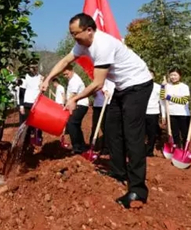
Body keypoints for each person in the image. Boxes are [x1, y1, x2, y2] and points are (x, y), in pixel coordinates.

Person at [41, 13, 153, 209]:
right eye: (71, 34)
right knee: (111, 128)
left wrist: (74, 98)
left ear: (89, 30)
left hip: (138, 85)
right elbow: (65, 61)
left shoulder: (102, 45)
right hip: (121, 87)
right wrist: (48, 78)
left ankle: (137, 190)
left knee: (132, 134)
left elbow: (97, 83)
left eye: (75, 34)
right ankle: (118, 171)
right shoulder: (82, 44)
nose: (73, 38)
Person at [159, 67, 190, 148]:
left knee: (184, 133)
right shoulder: (167, 86)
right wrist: (162, 86)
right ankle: (177, 149)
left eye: (175, 75)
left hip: (183, 114)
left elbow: (184, 100)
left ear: (180, 76)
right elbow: (162, 97)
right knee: (174, 133)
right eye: (171, 75)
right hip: (171, 113)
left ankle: (185, 149)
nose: (173, 77)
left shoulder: (184, 86)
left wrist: (169, 98)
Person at [62, 65, 89, 154]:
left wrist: (66, 106)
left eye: (67, 74)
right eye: (64, 75)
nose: (66, 76)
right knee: (76, 125)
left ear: (71, 70)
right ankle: (82, 146)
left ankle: (76, 146)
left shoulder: (75, 80)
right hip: (78, 104)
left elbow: (73, 95)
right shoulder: (71, 80)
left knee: (71, 123)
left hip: (81, 104)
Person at [19, 62, 44, 146]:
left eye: (35, 67)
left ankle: (38, 139)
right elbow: (21, 92)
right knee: (26, 124)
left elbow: (42, 91)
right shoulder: (24, 78)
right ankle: (25, 142)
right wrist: (21, 105)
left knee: (38, 124)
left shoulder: (40, 77)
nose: (33, 69)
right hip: (27, 103)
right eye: (31, 67)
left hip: (37, 104)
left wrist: (42, 83)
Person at [90, 79, 115, 154]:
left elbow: (110, 90)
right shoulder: (96, 80)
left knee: (105, 127)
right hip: (97, 105)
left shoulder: (109, 79)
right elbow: (93, 94)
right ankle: (93, 145)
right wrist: (94, 92)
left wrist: (105, 91)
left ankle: (106, 147)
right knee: (94, 126)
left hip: (106, 104)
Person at [145, 70, 165, 157]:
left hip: (153, 112)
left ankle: (149, 151)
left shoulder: (158, 87)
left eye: (151, 75)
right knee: (141, 133)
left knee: (152, 133)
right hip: (141, 112)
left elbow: (162, 102)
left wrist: (163, 115)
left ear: (153, 77)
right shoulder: (140, 87)